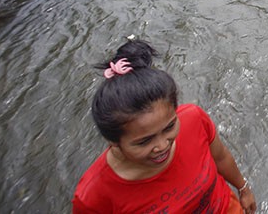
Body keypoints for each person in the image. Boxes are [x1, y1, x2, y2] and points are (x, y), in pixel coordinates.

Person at [72, 40, 257, 213]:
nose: (162, 145)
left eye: (169, 127)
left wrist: (243, 188)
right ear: (113, 141)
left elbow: (221, 157)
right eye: (144, 141)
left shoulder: (193, 119)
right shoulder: (93, 195)